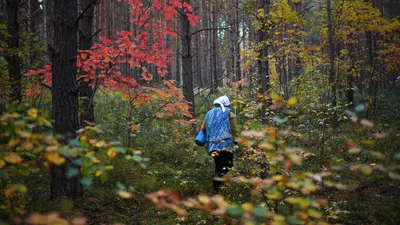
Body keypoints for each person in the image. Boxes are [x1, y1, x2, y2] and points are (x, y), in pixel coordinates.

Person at [201, 95, 237, 191]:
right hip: (226, 145)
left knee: (218, 165)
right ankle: (217, 181)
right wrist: (236, 141)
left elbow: (203, 128)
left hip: (212, 146)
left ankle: (217, 189)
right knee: (228, 165)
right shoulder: (229, 113)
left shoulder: (208, 113)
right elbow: (234, 129)